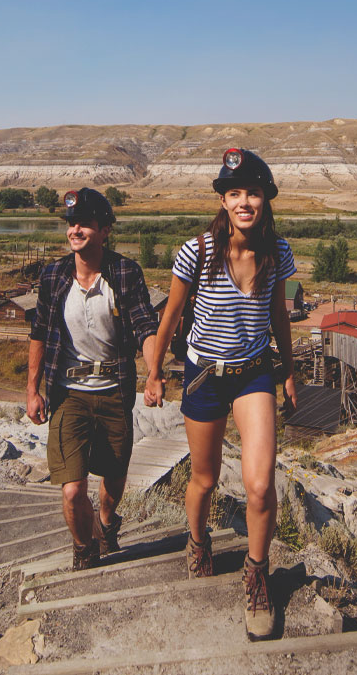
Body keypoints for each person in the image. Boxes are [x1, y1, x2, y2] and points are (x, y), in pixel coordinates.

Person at [144, 148, 297, 641]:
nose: (244, 201)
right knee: (205, 479)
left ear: (265, 199)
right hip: (204, 374)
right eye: (235, 193)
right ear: (224, 200)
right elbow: (170, 315)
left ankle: (257, 573)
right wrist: (154, 371)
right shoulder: (199, 250)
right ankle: (197, 542)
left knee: (258, 484)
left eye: (252, 192)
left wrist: (289, 370)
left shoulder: (277, 251)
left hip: (254, 373)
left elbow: (278, 316)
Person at [26, 187, 163, 570]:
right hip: (68, 394)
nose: (76, 230)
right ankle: (85, 549)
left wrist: (154, 373)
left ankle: (106, 520)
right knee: (72, 490)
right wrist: (32, 389)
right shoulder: (53, 275)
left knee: (114, 477)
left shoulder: (124, 273)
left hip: (114, 391)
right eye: (71, 223)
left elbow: (144, 328)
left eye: (85, 223)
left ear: (104, 230)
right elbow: (39, 333)